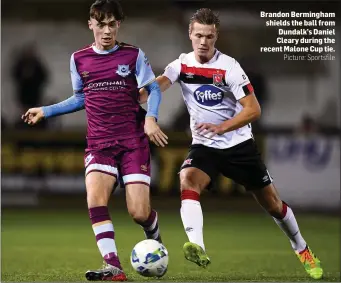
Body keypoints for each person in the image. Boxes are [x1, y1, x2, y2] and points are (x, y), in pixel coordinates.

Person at [139, 8, 323, 280]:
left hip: (239, 146)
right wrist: (137, 97)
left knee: (273, 204)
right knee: (187, 178)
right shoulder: (181, 65)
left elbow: (253, 110)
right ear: (190, 35)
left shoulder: (229, 68)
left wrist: (222, 126)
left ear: (216, 37)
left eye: (209, 37)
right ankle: (197, 246)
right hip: (205, 146)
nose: (204, 42)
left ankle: (303, 249)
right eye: (199, 35)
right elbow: (155, 88)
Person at [22, 0, 168, 281]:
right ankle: (113, 267)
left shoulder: (133, 55)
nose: (107, 31)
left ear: (118, 25)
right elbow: (80, 98)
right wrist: (46, 111)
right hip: (99, 143)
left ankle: (153, 228)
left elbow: (152, 89)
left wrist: (151, 118)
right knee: (95, 200)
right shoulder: (79, 59)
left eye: (112, 24)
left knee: (139, 213)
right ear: (91, 24)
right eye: (101, 25)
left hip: (132, 142)